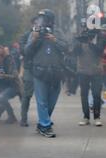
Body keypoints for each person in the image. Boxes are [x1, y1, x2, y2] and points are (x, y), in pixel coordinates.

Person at [25, 9, 67, 138]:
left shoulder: (58, 32)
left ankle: (42, 123)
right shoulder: (34, 33)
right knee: (41, 101)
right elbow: (26, 51)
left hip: (56, 72)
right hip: (40, 72)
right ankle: (46, 126)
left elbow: (66, 47)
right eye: (40, 18)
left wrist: (55, 40)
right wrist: (34, 39)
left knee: (52, 101)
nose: (41, 21)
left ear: (50, 20)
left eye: (44, 18)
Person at [74, 24, 106, 127]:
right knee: (84, 95)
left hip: (96, 71)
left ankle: (97, 117)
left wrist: (91, 42)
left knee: (96, 94)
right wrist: (80, 40)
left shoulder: (100, 37)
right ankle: (86, 117)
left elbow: (100, 51)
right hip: (83, 71)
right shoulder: (81, 37)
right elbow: (75, 52)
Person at [19, 18, 37, 127]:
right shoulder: (25, 36)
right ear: (32, 24)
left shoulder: (45, 35)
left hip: (43, 69)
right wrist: (33, 40)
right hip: (30, 69)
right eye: (35, 23)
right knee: (27, 95)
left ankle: (45, 120)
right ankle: (23, 118)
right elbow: (23, 51)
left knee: (43, 97)